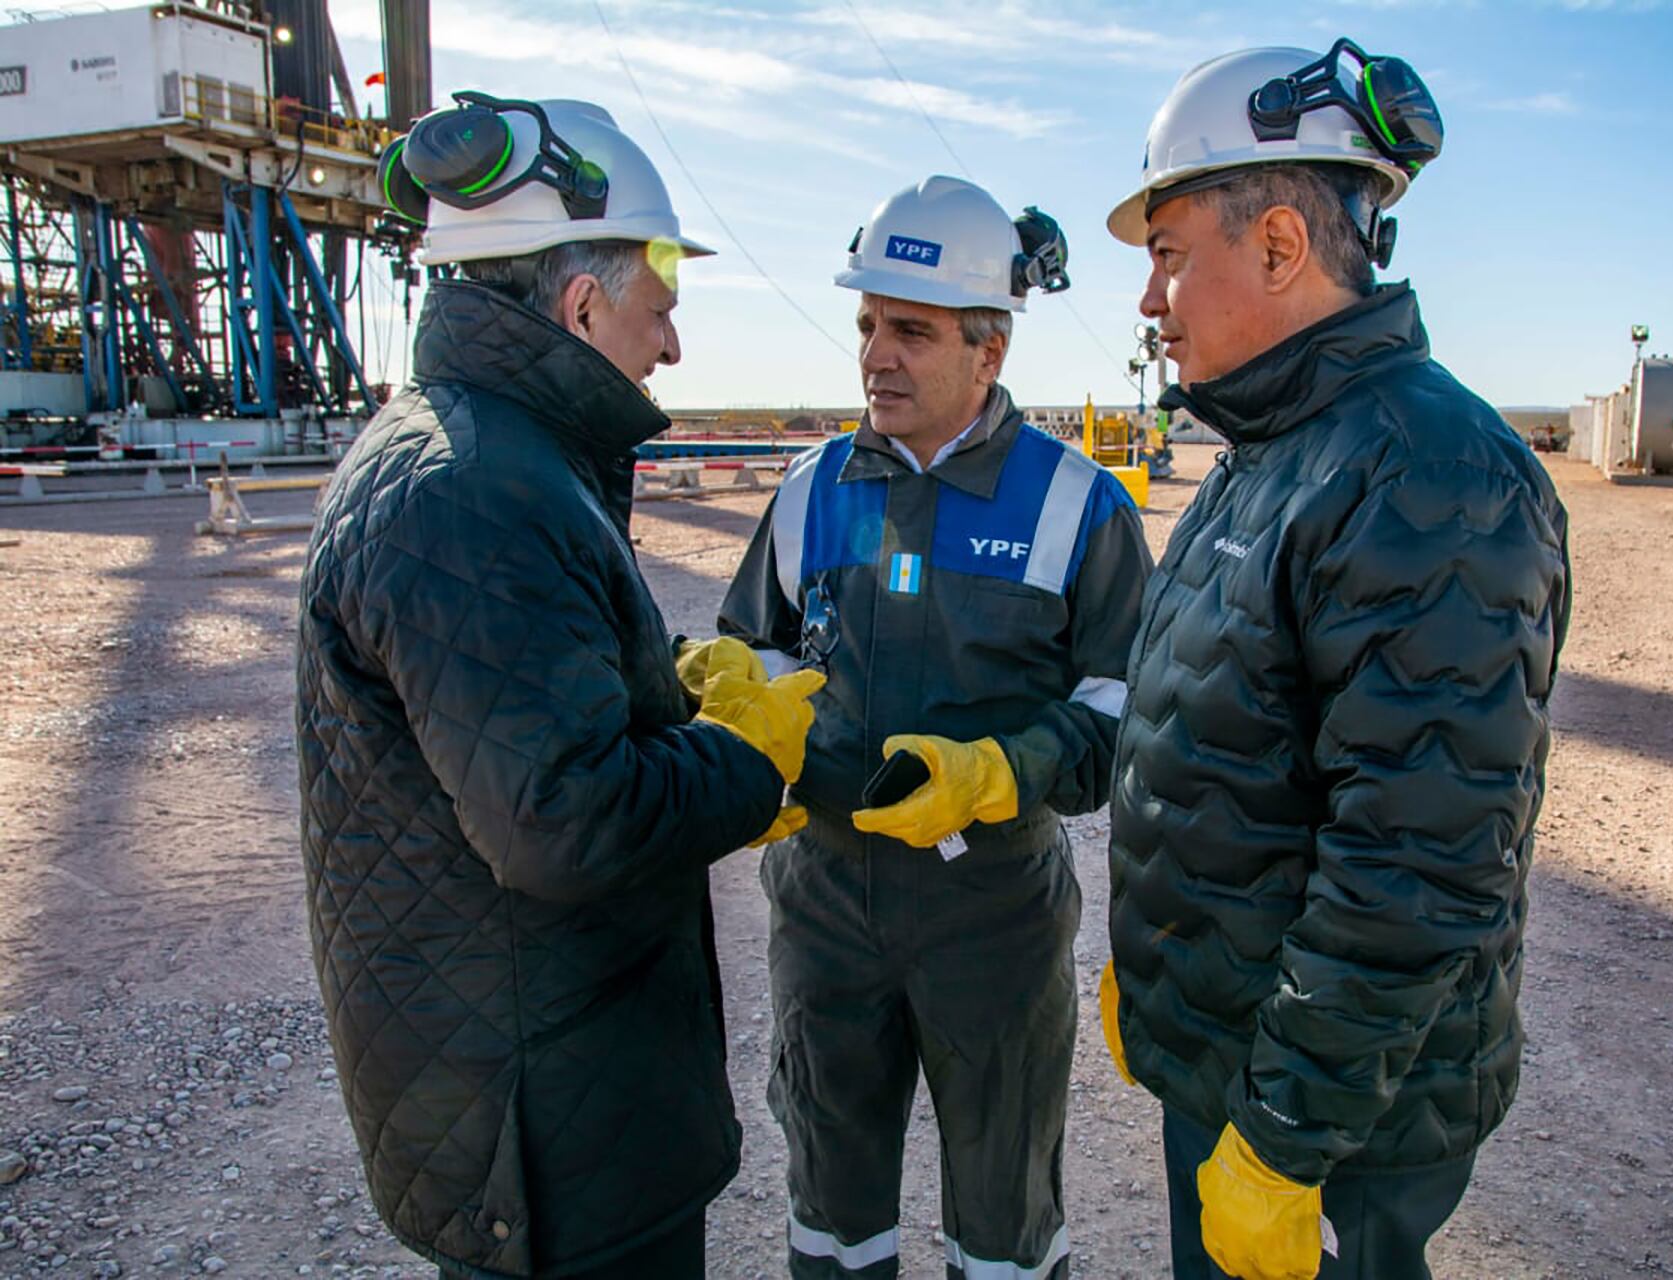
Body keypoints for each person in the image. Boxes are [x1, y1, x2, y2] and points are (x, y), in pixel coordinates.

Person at [296, 94, 822, 1279]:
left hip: (524, 1083)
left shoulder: (464, 452)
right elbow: (564, 819)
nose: (672, 349)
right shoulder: (479, 490)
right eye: (660, 308)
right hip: (545, 1135)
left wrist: (657, 691)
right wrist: (749, 750)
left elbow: (511, 725)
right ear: (582, 301)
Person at [1098, 42, 1573, 1280]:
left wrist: (1285, 1137)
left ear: (1276, 248)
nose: (1151, 303)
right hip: (1238, 1057)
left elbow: (1419, 861)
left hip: (1330, 1122)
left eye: (1165, 253)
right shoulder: (1277, 449)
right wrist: (1156, 967)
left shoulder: (1430, 472)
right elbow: (1202, 728)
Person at [717, 175, 1152, 1279]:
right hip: (822, 905)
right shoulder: (811, 488)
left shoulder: (1076, 506)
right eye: (867, 323)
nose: (876, 354)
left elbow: (1126, 710)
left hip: (991, 913)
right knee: (830, 1199)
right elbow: (754, 645)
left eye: (910, 329)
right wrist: (747, 736)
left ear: (989, 350)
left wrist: (1005, 768)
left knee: (1005, 1212)